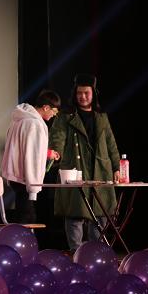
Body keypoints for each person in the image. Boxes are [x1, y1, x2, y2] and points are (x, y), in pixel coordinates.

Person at [49, 74, 120, 251]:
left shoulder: (101, 117)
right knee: (75, 214)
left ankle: (97, 253)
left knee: (100, 214)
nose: (82, 96)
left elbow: (111, 145)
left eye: (86, 93)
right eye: (79, 93)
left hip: (100, 170)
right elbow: (57, 139)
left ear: (93, 94)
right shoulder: (65, 117)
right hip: (76, 169)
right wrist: (55, 153)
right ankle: (76, 254)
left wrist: (117, 167)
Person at [1, 90, 61, 224]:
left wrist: (47, 153)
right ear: (46, 107)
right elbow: (32, 156)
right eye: (54, 111)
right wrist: (33, 187)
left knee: (23, 214)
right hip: (25, 177)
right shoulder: (35, 124)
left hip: (16, 175)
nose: (54, 115)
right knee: (27, 218)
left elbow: (26, 148)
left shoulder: (20, 119)